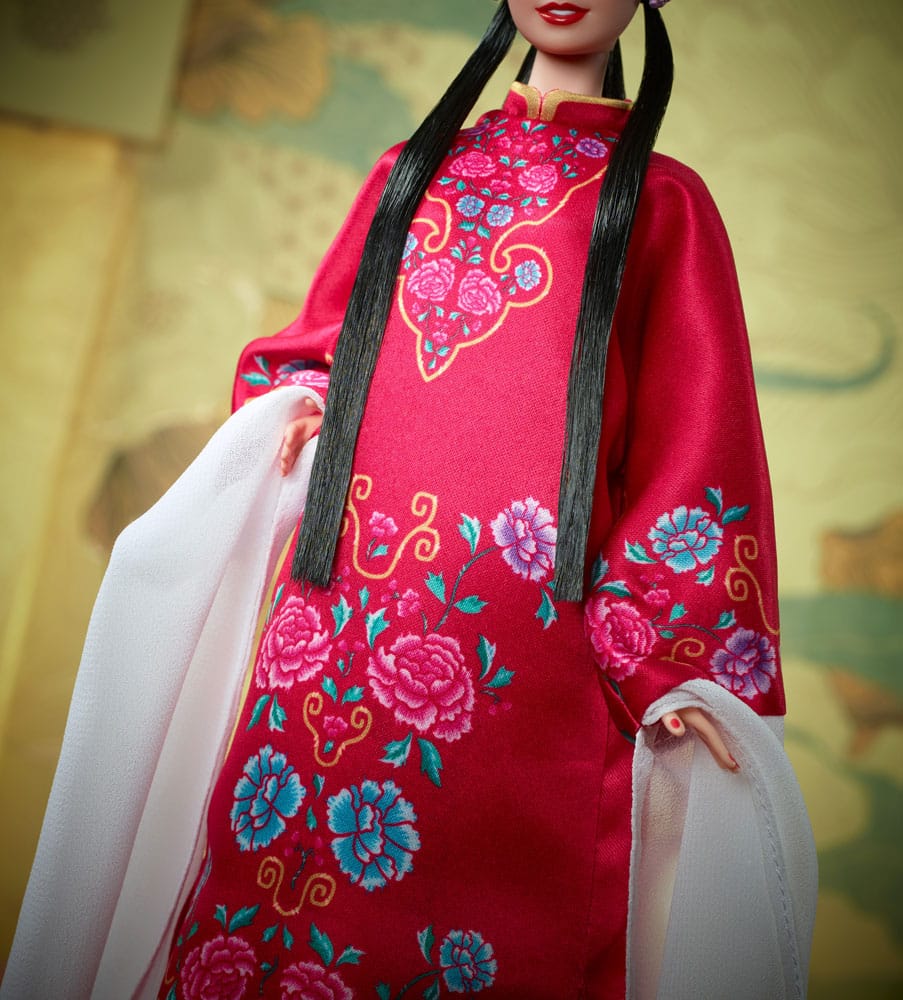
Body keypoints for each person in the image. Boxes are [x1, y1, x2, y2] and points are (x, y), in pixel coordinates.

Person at [1, 2, 817, 998]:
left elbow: (696, 440)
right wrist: (302, 405)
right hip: (339, 618)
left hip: (527, 654)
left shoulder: (663, 204)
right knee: (273, 890)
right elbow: (320, 343)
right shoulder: (412, 170)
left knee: (490, 926)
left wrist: (671, 658)